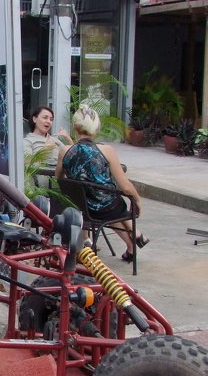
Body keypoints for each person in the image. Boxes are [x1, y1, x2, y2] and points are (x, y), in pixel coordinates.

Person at [55, 105, 149, 261]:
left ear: (75, 126)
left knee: (111, 206)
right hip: (106, 209)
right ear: (96, 127)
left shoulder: (65, 151)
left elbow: (59, 178)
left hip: (81, 209)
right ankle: (136, 236)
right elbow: (125, 186)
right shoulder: (107, 150)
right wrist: (137, 199)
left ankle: (132, 245)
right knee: (116, 204)